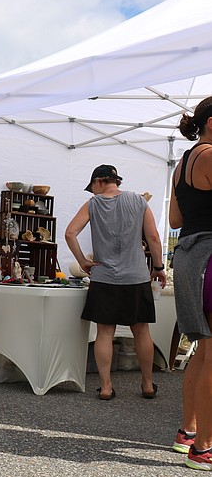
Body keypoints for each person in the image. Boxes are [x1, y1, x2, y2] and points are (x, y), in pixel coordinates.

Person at [65, 164, 165, 400]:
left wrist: (83, 262)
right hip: (136, 277)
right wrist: (159, 267)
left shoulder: (93, 204)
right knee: (141, 331)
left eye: (92, 187)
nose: (92, 193)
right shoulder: (139, 201)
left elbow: (70, 233)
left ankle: (107, 387)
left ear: (99, 181)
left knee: (104, 333)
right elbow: (153, 237)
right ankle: (148, 384)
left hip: (105, 278)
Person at [169, 96, 212, 471]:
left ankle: (188, 433)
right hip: (210, 255)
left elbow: (174, 218)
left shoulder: (182, 162)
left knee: (203, 347)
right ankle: (205, 447)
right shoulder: (211, 155)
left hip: (188, 254)